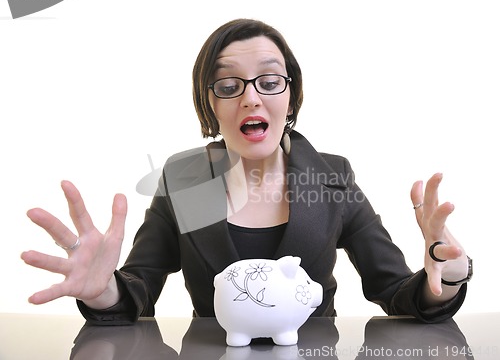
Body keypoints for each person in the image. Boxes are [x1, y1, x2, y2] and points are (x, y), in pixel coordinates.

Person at [21, 19, 472, 324]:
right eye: (229, 84)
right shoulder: (189, 180)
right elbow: (138, 290)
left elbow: (394, 289)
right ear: (210, 103)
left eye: (270, 81)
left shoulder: (331, 179)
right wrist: (102, 291)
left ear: (290, 98)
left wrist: (444, 279)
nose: (251, 98)